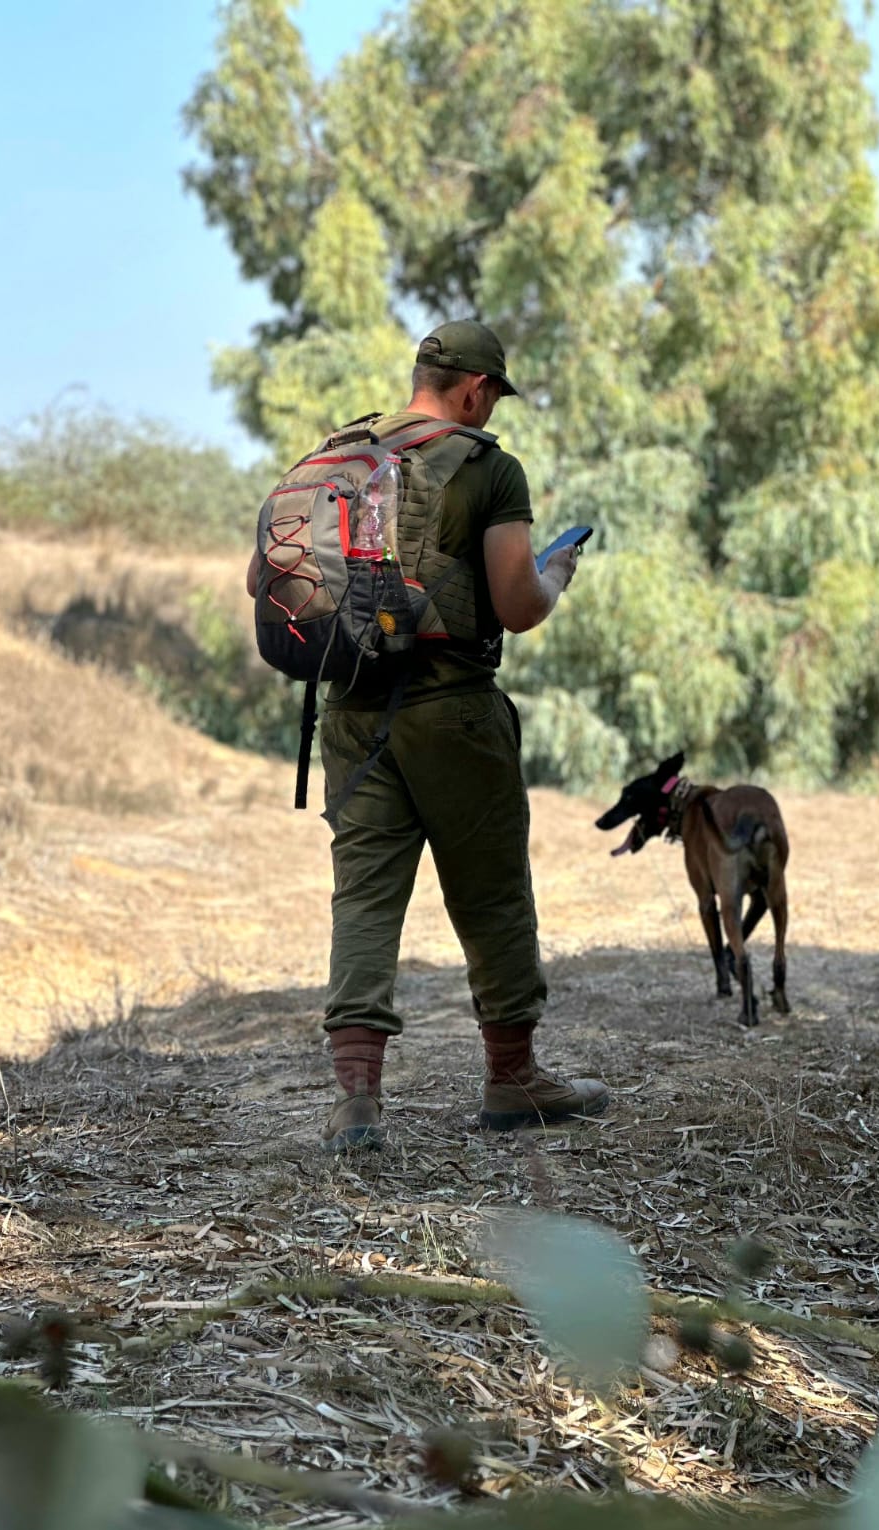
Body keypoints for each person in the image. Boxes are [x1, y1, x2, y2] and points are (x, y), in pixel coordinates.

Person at [305, 320, 609, 1151]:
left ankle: (356, 1102)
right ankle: (514, 1078)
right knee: (490, 890)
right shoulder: (488, 467)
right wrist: (554, 574)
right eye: (492, 396)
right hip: (452, 710)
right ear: (476, 389)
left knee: (364, 896)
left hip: (352, 711)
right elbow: (516, 605)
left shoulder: (346, 456)